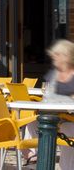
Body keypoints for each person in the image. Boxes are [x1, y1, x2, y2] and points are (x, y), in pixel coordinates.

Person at [46, 39, 74, 169]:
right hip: (60, 117)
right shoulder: (54, 74)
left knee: (68, 129)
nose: (53, 57)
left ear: (66, 56)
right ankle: (34, 157)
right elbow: (48, 96)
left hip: (70, 118)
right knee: (34, 121)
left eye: (57, 54)